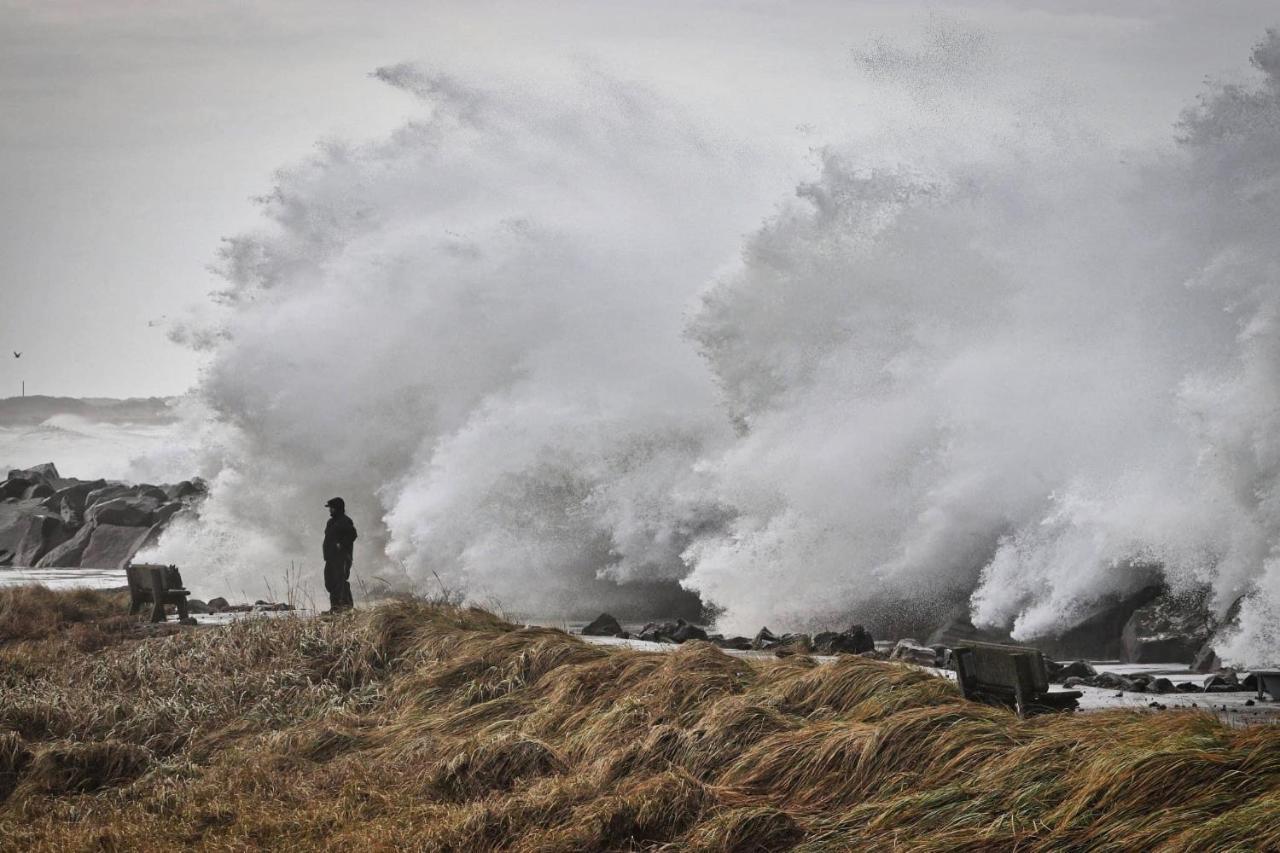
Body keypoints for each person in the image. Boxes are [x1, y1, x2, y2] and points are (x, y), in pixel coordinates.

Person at [322, 497, 357, 612]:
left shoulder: (345, 521)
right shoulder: (331, 522)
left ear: (337, 508)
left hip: (342, 558)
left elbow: (353, 535)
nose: (330, 510)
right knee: (330, 582)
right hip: (330, 558)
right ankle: (339, 607)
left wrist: (341, 544)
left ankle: (340, 607)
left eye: (331, 508)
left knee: (339, 581)